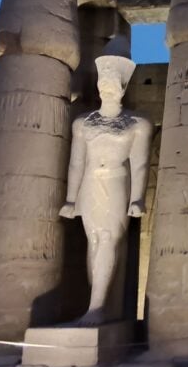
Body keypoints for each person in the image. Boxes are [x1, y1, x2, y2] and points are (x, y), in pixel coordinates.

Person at [59, 37, 152, 325]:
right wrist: (71, 199)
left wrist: (137, 198)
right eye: (104, 78)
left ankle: (97, 307)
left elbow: (139, 164)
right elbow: (76, 163)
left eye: (113, 79)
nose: (107, 84)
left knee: (109, 238)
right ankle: (96, 304)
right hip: (90, 183)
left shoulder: (138, 124)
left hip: (116, 182)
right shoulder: (83, 123)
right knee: (94, 241)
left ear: (123, 85)